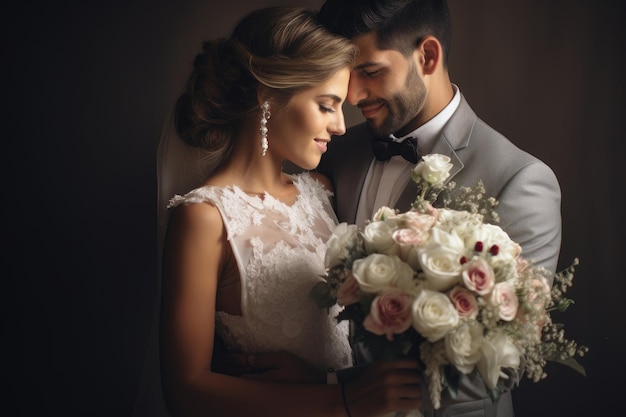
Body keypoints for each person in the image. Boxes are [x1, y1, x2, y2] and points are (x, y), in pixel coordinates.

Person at [136, 6, 424, 417]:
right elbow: (186, 390)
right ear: (268, 97)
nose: (342, 126)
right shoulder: (205, 218)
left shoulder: (320, 192)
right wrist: (342, 402)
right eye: (327, 105)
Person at [312, 0, 562, 416]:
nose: (352, 95)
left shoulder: (521, 181)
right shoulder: (334, 150)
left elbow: (501, 366)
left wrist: (328, 387)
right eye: (345, 72)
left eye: (370, 71)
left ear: (427, 56)